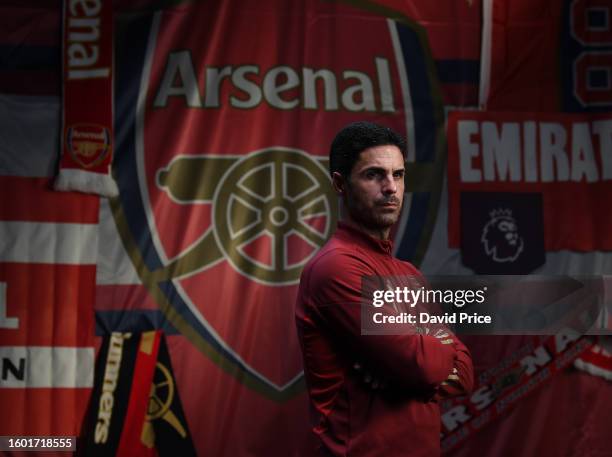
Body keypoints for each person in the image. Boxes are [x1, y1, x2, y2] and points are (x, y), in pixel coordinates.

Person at [295, 122, 473, 456]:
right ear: (339, 184)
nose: (390, 187)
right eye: (374, 175)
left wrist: (401, 368)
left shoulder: (409, 274)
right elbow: (420, 368)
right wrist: (421, 356)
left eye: (398, 174)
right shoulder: (337, 268)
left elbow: (464, 373)